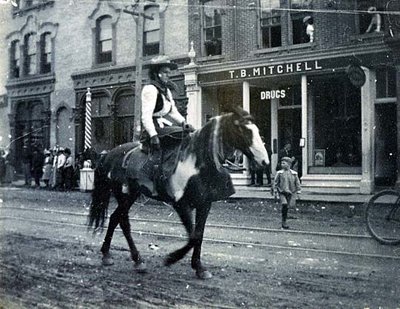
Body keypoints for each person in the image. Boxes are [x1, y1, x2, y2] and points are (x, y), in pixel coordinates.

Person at [140, 55, 194, 189]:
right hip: (152, 128)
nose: (167, 75)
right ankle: (164, 174)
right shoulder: (150, 89)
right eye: (165, 72)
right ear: (157, 73)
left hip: (162, 126)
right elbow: (146, 116)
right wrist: (153, 135)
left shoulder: (166, 91)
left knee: (186, 133)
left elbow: (172, 111)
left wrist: (183, 123)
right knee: (182, 135)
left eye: (168, 73)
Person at [272, 156, 301, 229]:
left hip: (291, 192)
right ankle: (283, 221)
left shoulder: (294, 173)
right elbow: (275, 183)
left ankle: (285, 219)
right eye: (281, 163)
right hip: (282, 192)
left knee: (288, 206)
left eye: (284, 163)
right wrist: (275, 191)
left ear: (289, 164)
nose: (282, 164)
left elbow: (297, 183)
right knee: (284, 204)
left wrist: (298, 192)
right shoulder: (279, 173)